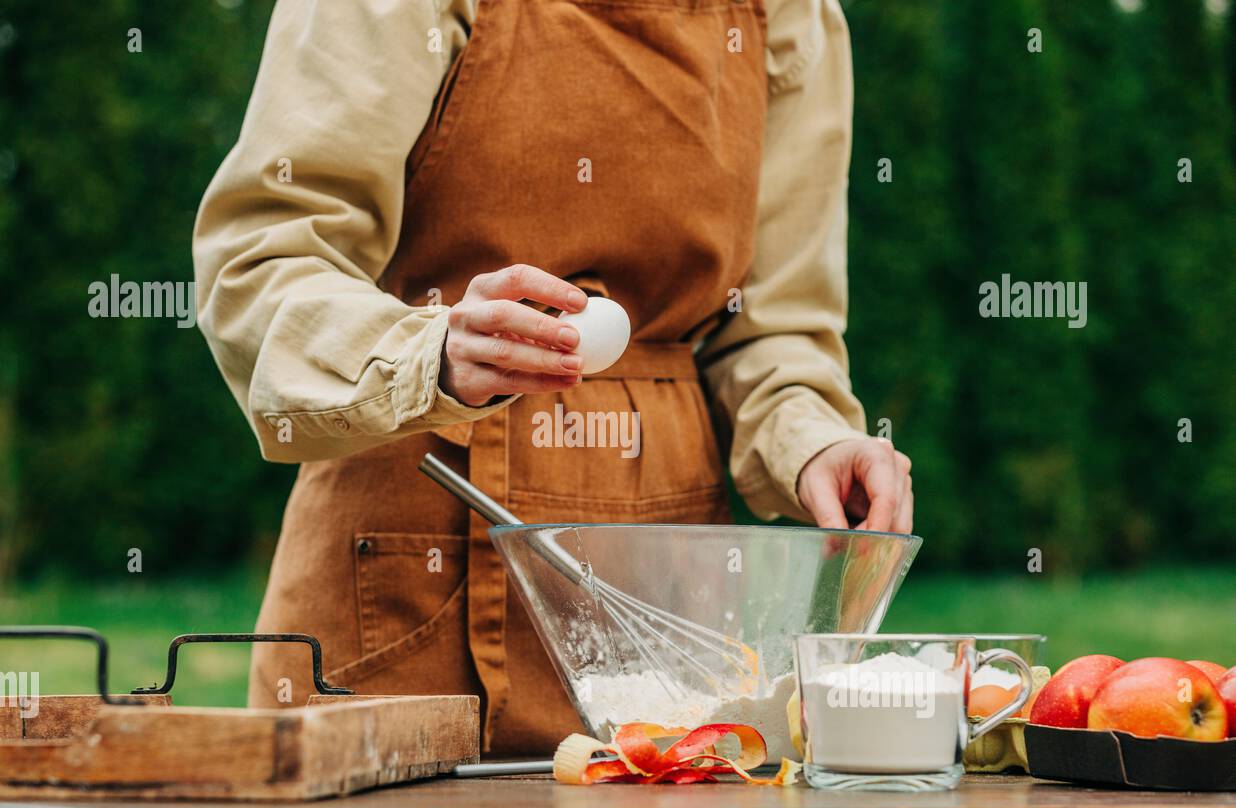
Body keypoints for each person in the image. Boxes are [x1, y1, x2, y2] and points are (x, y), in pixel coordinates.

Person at [192, 0, 913, 756]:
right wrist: (428, 352)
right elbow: (260, 264)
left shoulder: (787, 14)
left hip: (667, 610)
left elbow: (770, 329)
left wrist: (812, 442)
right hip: (404, 585)